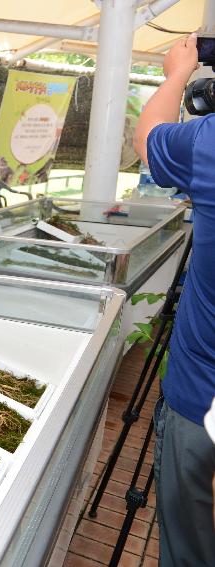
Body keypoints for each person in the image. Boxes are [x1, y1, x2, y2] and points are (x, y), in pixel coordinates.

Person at [133, 33, 215, 566]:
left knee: (189, 549)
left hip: (199, 398)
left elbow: (149, 138)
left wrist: (175, 74)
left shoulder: (208, 143)